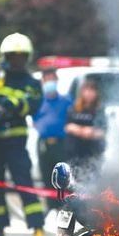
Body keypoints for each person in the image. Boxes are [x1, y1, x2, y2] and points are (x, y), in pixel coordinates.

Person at [0, 33, 45, 236]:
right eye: (13, 56)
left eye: (20, 57)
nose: (16, 61)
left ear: (27, 58)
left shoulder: (32, 83)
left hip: (16, 143)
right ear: (5, 57)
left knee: (23, 183)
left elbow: (33, 105)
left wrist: (8, 106)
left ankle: (37, 228)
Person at [34, 68, 72, 212]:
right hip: (44, 144)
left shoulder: (66, 101)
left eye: (52, 79)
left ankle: (64, 208)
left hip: (61, 144)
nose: (50, 83)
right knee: (47, 178)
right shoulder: (38, 102)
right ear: (43, 82)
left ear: (57, 81)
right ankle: (51, 209)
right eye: (47, 80)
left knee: (63, 178)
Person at [64, 79, 107, 182]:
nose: (89, 94)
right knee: (75, 182)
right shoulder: (74, 108)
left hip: (92, 153)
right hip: (75, 152)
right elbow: (67, 126)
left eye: (92, 91)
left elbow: (103, 131)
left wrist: (91, 132)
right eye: (86, 90)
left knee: (91, 182)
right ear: (82, 92)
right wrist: (81, 130)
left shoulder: (99, 110)